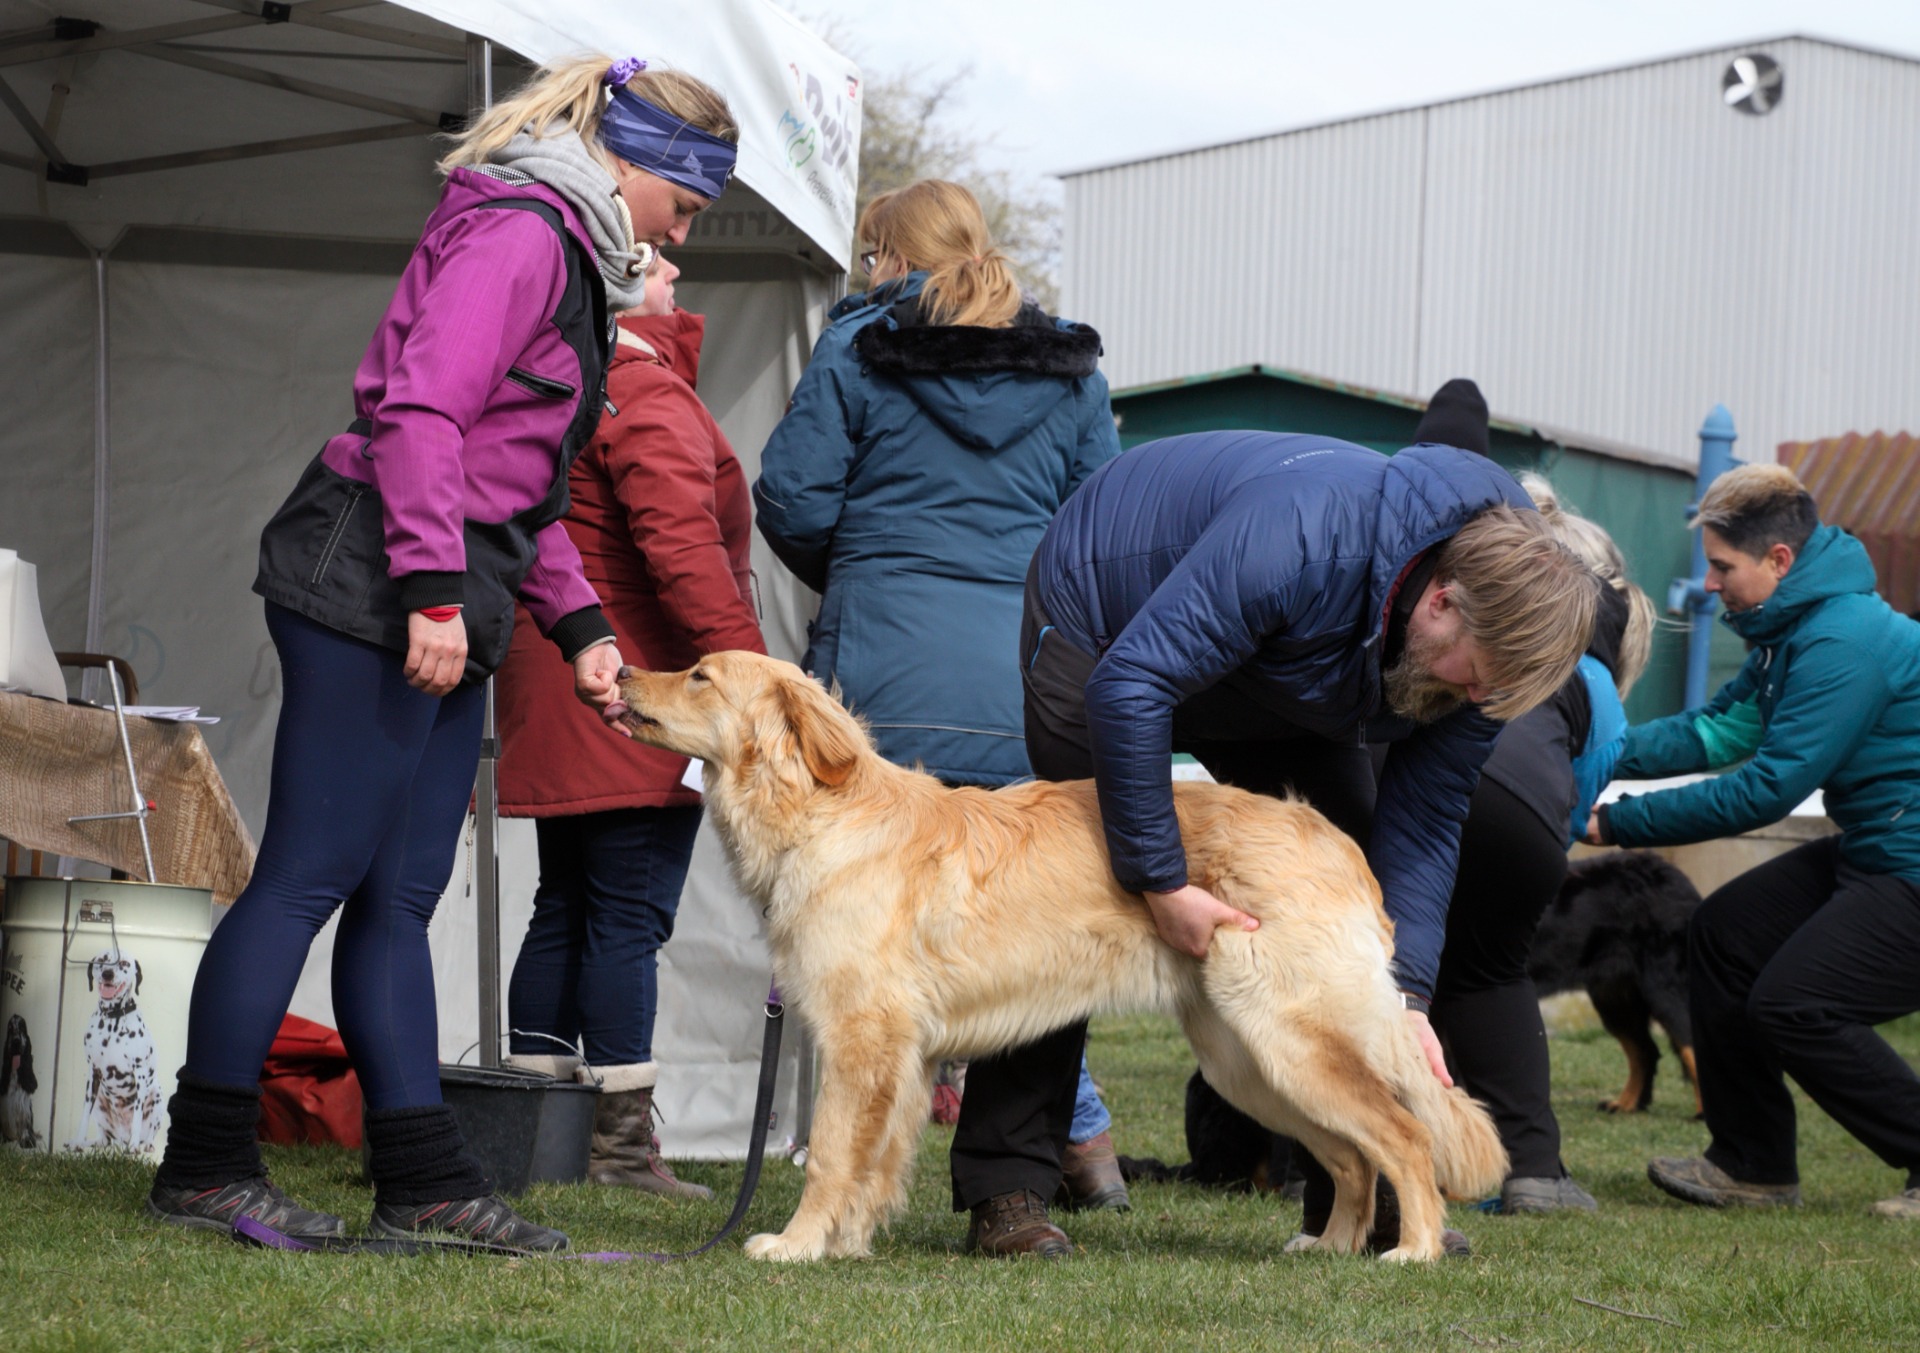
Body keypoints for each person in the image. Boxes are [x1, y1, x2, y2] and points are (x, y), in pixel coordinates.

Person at [144, 56, 739, 1251]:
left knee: (400, 898)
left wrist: (579, 630)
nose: (687, 232)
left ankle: (423, 1180)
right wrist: (425, 589)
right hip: (371, 571)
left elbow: (517, 483)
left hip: (446, 580)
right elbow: (420, 414)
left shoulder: (568, 246)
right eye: (688, 205)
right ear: (638, 168)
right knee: (309, 877)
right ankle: (204, 1161)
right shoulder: (523, 234)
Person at [951, 428, 1600, 1257]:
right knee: (1075, 900)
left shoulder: (1478, 656)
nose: (1473, 695)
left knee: (1337, 884)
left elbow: (1425, 821)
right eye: (1471, 675)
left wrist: (1404, 994)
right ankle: (1006, 1186)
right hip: (1105, 631)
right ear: (1442, 602)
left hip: (1285, 666)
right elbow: (1134, 685)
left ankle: (1361, 1203)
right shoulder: (1299, 538)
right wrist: (1160, 883)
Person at [752, 181, 1126, 1207]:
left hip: (879, 694)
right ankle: (1013, 1196)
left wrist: (863, 565)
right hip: (1027, 686)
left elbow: (789, 497)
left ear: (886, 255)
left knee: (863, 938)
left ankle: (858, 1181)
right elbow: (1104, 527)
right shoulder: (1073, 374)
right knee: (1040, 932)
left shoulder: (859, 351)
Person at [493, 249, 763, 1199]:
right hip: (639, 694)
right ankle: (615, 1153)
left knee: (564, 906)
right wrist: (755, 684)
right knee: (624, 916)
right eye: (654, 257)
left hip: (562, 673)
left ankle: (534, 1139)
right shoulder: (643, 388)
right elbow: (686, 553)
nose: (680, 261)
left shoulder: (566, 376)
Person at [1584, 464, 1920, 1219]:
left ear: (1779, 561)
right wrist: (1589, 753)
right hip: (1879, 848)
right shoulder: (1790, 633)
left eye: (1721, 565)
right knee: (1725, 933)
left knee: (1795, 1002)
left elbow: (1766, 787)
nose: (1708, 582)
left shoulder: (1843, 643)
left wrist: (1616, 823)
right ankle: (1753, 1165)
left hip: (1911, 865)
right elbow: (1717, 731)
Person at [1428, 465, 1652, 1215]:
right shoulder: (1591, 678)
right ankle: (1534, 1172)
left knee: (1395, 980)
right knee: (1491, 977)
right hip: (1517, 821)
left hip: (1421, 795)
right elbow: (1575, 797)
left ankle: (1324, 1165)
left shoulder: (1471, 620)